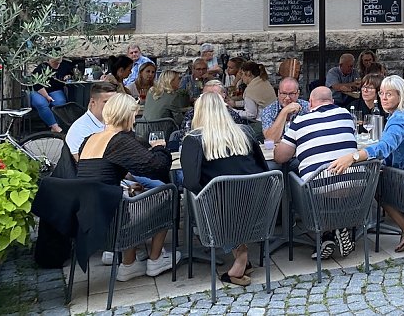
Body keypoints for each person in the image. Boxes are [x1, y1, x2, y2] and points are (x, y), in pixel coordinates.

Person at [328, 76, 404, 252]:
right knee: (380, 172)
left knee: (374, 183)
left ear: (400, 96)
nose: (383, 98)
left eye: (389, 94)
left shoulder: (399, 119)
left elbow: (385, 147)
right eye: (382, 93)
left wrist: (353, 157)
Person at [77, 93, 175, 281]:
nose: (135, 120)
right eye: (134, 115)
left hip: (88, 217)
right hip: (113, 220)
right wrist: (160, 147)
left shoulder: (89, 139)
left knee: (132, 194)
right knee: (167, 194)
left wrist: (126, 185)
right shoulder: (119, 140)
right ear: (127, 116)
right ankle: (155, 259)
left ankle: (129, 263)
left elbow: (100, 173)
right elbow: (157, 167)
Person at [181, 92, 267, 287]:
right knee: (229, 199)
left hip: (221, 209)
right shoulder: (244, 132)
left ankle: (240, 260)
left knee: (213, 200)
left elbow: (192, 182)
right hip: (257, 203)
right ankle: (242, 256)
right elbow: (262, 167)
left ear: (198, 112)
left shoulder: (194, 140)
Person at [275, 86, 358, 260]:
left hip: (318, 189)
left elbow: (281, 157)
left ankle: (326, 233)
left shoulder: (300, 121)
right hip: (355, 184)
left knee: (295, 177)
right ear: (332, 101)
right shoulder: (346, 115)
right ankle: (332, 232)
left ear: (310, 103)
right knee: (330, 177)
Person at [65, 81, 118, 161]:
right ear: (92, 102)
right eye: (106, 102)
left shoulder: (110, 121)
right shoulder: (80, 129)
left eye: (114, 102)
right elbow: (83, 163)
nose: (112, 106)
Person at [30, 56, 74, 132]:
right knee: (41, 103)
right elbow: (37, 85)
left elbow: (71, 73)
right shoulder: (41, 68)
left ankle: (59, 125)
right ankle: (55, 127)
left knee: (60, 102)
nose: (57, 65)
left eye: (59, 63)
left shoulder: (64, 65)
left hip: (55, 89)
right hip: (38, 90)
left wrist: (68, 76)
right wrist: (47, 96)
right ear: (49, 60)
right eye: (55, 63)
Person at [261, 77, 310, 142]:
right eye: (284, 93)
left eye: (291, 94)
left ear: (298, 93)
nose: (287, 98)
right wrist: (284, 112)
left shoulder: (307, 107)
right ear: (278, 93)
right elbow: (270, 140)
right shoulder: (268, 111)